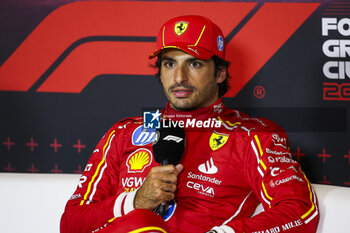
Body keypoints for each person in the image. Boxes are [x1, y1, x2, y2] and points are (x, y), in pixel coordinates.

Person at [60, 15, 319, 233]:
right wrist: (136, 201)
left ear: (220, 73)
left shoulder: (252, 135)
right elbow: (70, 223)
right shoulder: (125, 132)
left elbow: (300, 210)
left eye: (194, 64)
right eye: (169, 64)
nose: (179, 78)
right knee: (143, 220)